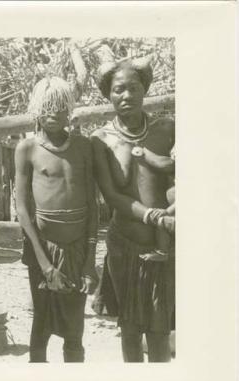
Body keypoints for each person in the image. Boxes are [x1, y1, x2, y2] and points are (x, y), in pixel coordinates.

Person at [91, 58, 175, 362]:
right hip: (124, 245)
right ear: (108, 95)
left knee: (160, 330)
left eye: (133, 88)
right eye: (118, 90)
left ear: (145, 90)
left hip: (163, 245)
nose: (126, 95)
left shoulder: (167, 130)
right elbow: (111, 196)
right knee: (129, 328)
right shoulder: (100, 140)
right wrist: (153, 215)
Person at [15, 76, 99, 363]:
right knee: (41, 325)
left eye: (60, 107)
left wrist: (89, 261)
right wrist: (45, 265)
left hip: (77, 250)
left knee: (75, 329)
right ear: (36, 108)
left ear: (70, 111)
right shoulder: (27, 148)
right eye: (46, 106)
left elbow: (92, 205)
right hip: (42, 249)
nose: (52, 113)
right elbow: (23, 208)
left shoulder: (84, 147)